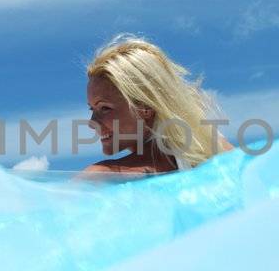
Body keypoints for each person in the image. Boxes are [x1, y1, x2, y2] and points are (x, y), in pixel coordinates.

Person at [81, 34, 234, 178]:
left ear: (145, 108)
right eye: (92, 109)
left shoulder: (101, 177)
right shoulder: (214, 150)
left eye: (105, 108)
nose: (92, 122)